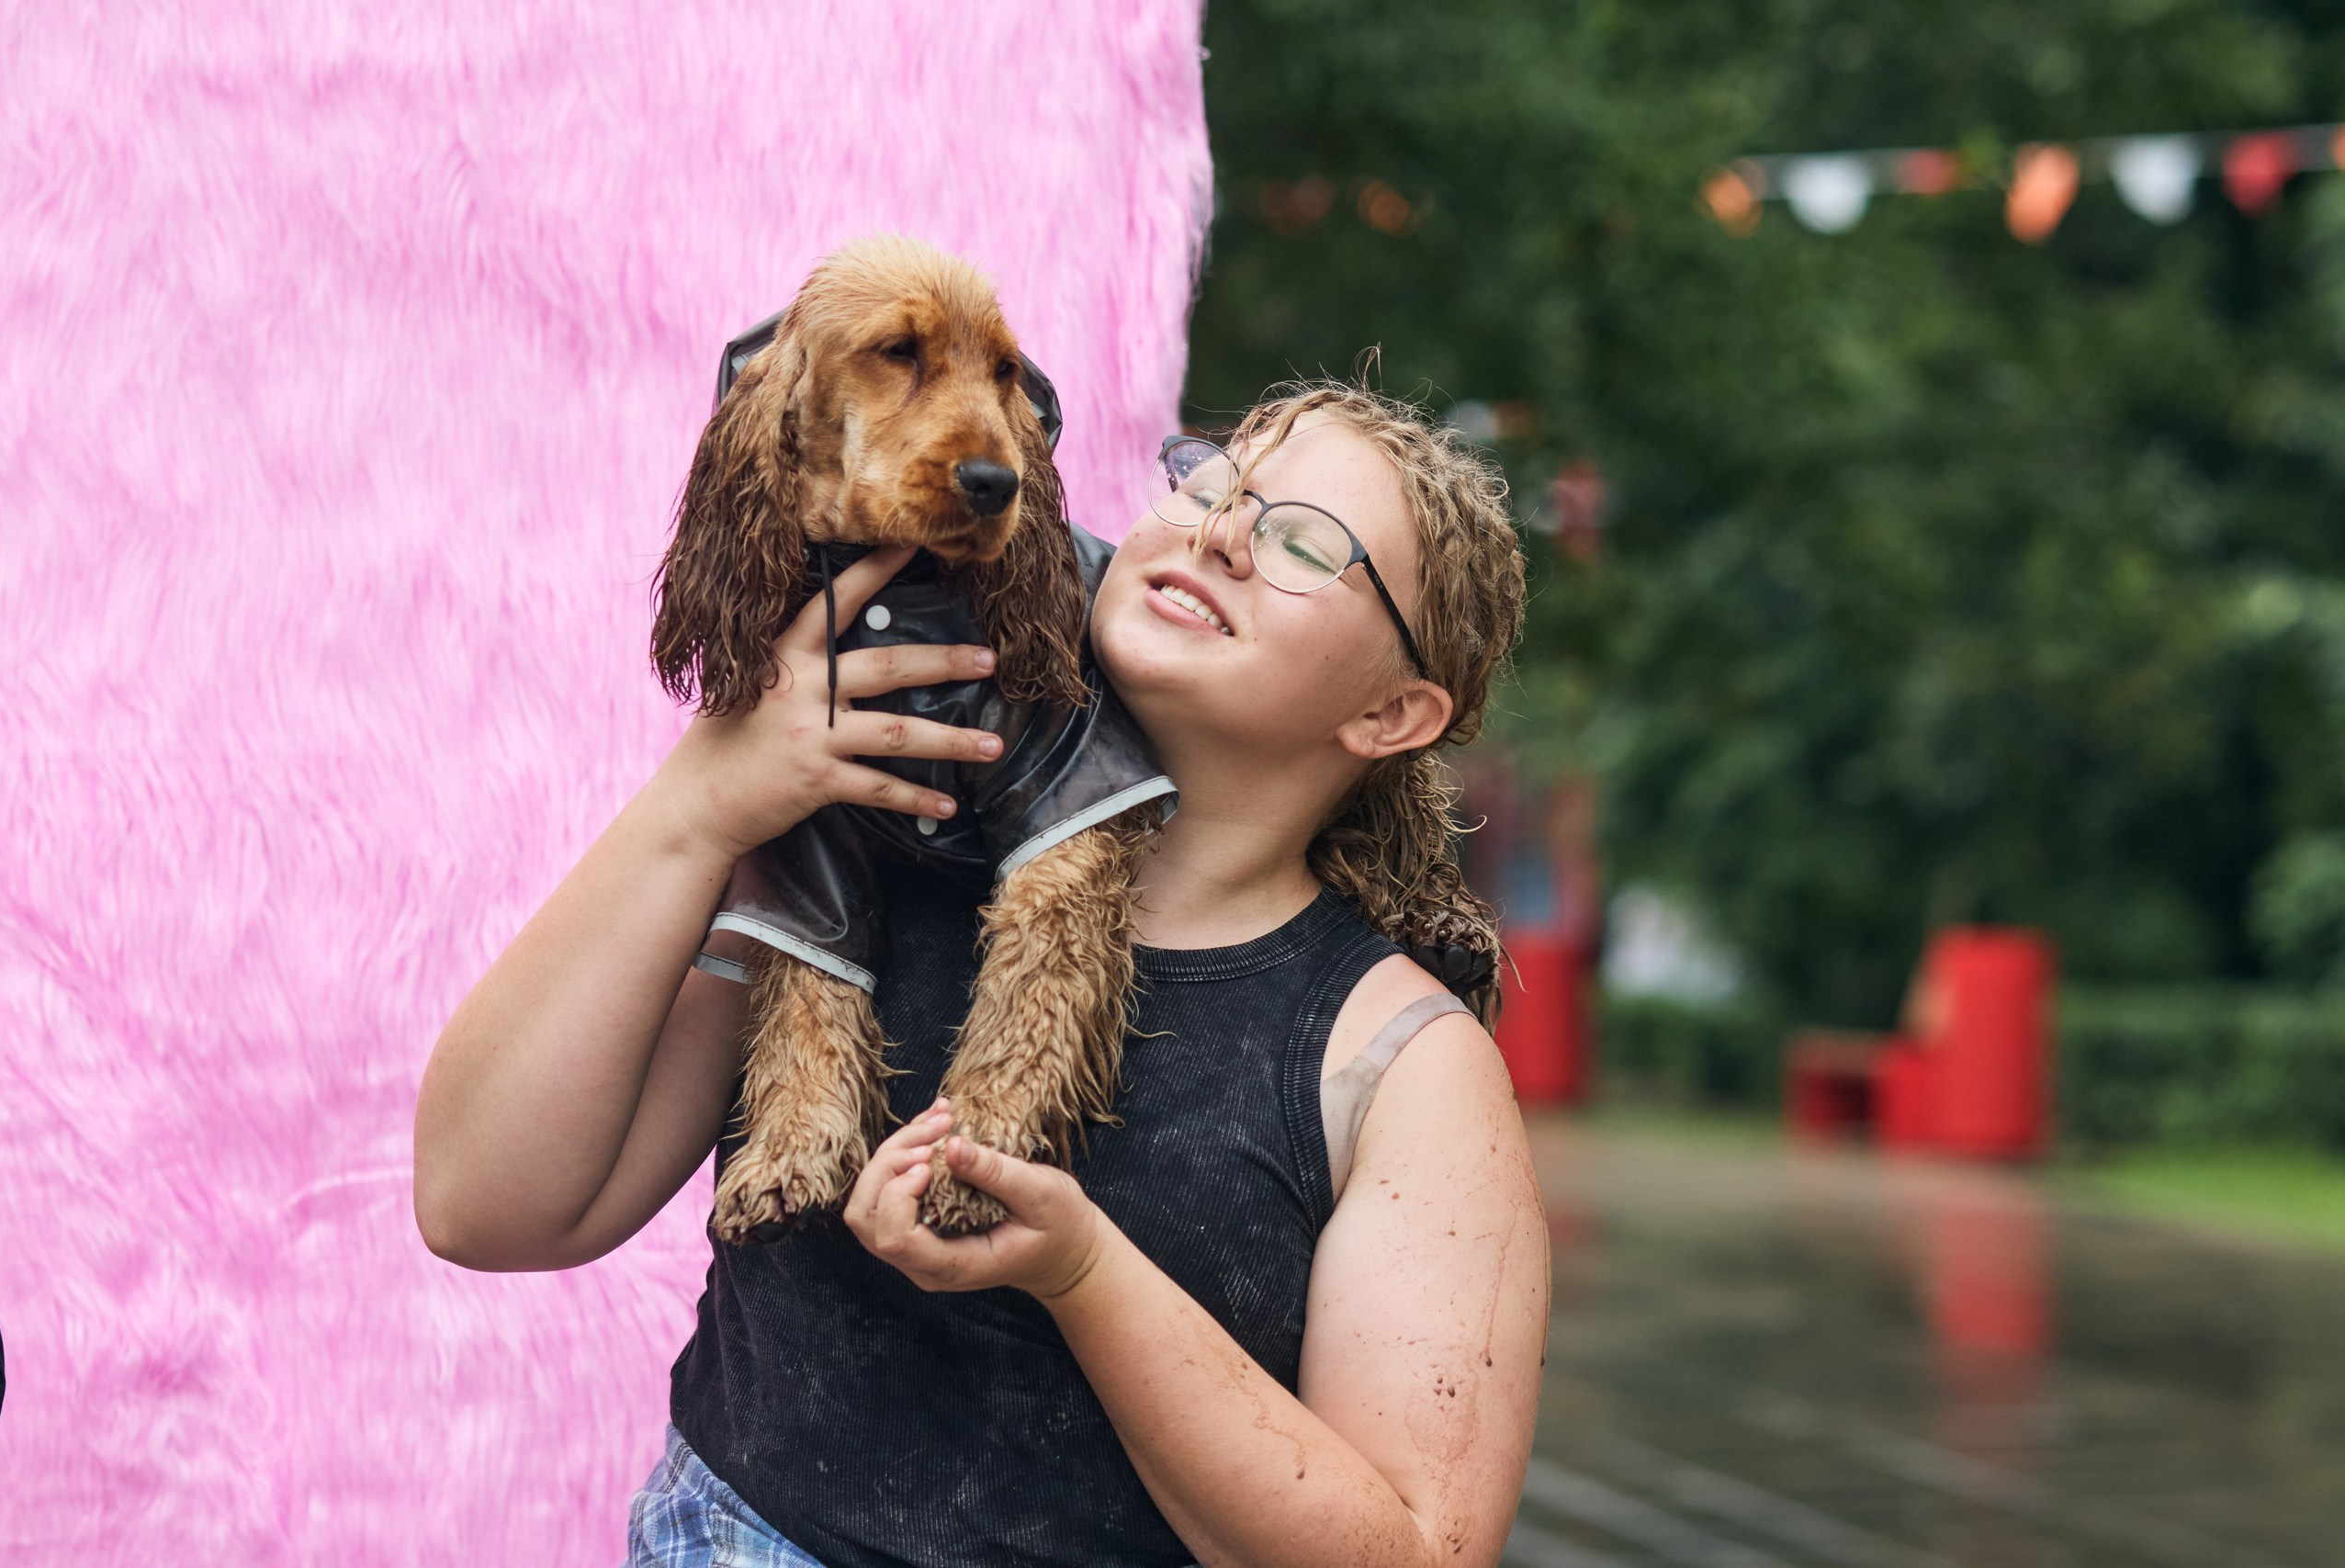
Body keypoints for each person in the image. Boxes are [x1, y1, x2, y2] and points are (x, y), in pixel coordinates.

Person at [414, 381, 1548, 1568]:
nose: (1216, 529)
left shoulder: (1403, 1065)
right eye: (1208, 483)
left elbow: (1421, 1552)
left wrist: (1083, 1272)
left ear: (1394, 712)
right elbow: (485, 1204)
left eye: (1304, 540)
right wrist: (703, 798)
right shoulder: (874, 829)